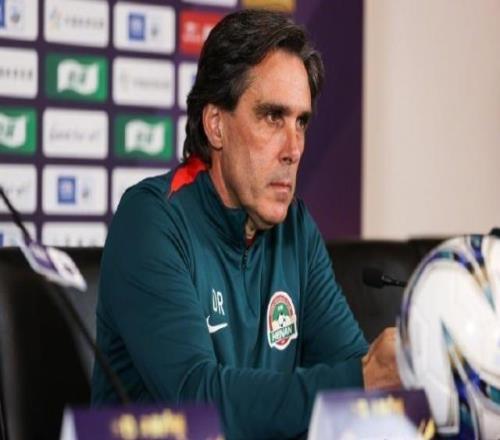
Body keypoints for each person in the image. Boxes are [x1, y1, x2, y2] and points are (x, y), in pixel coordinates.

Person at [92, 9, 400, 439]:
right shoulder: (151, 220)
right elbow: (195, 399)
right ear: (216, 125)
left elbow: (354, 366)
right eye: (273, 117)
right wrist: (361, 379)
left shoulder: (296, 228)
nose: (293, 148)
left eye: (301, 122)